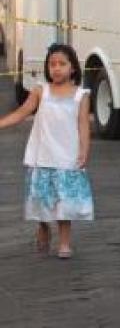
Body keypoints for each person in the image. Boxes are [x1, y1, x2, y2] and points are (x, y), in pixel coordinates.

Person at [0, 43, 93, 259]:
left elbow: (83, 125)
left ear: (73, 67)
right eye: (52, 64)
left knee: (64, 202)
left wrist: (84, 150)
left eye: (62, 64)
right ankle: (43, 226)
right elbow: (23, 112)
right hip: (43, 154)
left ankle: (64, 242)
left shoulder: (81, 95)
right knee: (42, 199)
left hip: (67, 156)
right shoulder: (41, 91)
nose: (57, 68)